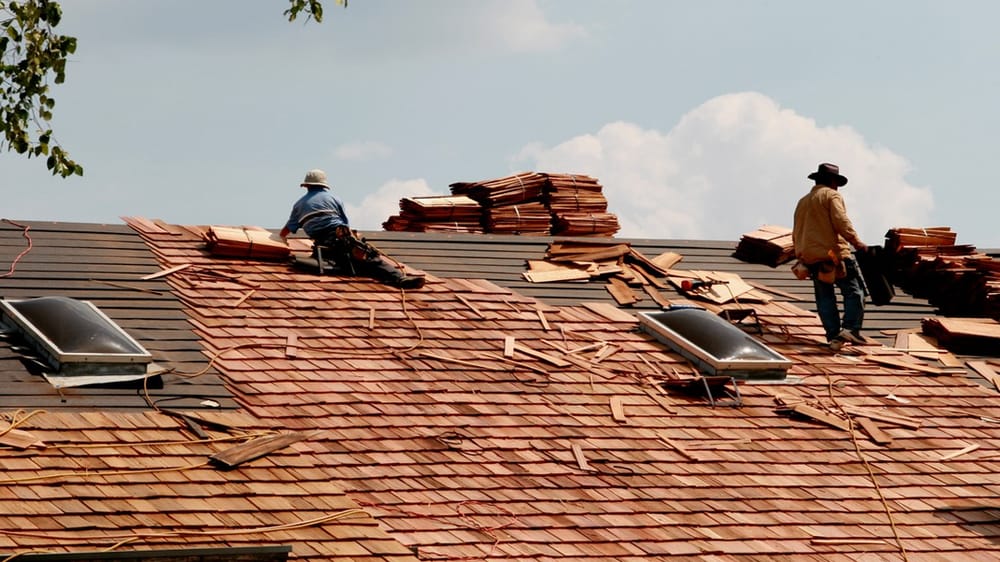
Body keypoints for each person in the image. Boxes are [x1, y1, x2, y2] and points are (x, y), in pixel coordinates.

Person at [280, 169, 425, 289]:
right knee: (370, 258)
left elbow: (288, 229)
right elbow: (345, 224)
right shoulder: (334, 199)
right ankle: (400, 279)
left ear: (307, 186)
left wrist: (278, 241)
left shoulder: (298, 205)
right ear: (324, 185)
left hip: (322, 243)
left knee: (354, 261)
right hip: (338, 237)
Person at [792, 163, 868, 350]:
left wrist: (801, 255)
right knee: (855, 292)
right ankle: (850, 328)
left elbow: (796, 232)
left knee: (825, 297)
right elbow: (841, 222)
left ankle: (834, 336)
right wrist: (857, 242)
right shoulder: (831, 196)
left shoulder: (803, 201)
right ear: (833, 181)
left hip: (812, 259)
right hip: (834, 256)